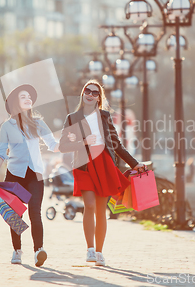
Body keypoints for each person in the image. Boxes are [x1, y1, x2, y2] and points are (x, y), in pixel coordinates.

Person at [59, 79, 146, 267]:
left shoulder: (105, 117)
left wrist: (135, 163)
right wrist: (83, 142)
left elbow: (117, 146)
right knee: (89, 205)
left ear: (99, 98)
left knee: (101, 210)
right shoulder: (72, 118)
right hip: (83, 166)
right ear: (83, 94)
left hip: (104, 164)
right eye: (87, 91)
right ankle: (90, 249)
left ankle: (99, 252)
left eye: (95, 92)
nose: (90, 94)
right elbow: (63, 146)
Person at [0, 84, 59, 267]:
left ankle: (38, 251)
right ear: (15, 103)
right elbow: (1, 153)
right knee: (15, 215)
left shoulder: (38, 123)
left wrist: (74, 140)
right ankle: (17, 250)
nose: (28, 99)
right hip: (15, 175)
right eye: (23, 97)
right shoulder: (7, 127)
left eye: (29, 97)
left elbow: (53, 145)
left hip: (35, 175)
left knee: (35, 212)